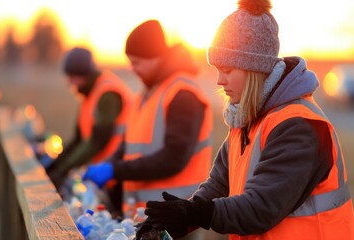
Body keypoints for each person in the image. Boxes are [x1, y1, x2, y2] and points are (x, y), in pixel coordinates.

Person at [136, 0, 354, 239]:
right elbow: (219, 183)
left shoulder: (299, 126)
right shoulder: (246, 121)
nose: (219, 80)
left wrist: (196, 213)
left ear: (254, 69)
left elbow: (261, 207)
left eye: (228, 70)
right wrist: (176, 220)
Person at [82, 19, 214, 222]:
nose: (133, 69)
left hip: (176, 220)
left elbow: (174, 158)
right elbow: (128, 145)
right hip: (144, 218)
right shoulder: (146, 94)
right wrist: (109, 165)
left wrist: (115, 170)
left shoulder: (183, 95)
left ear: (157, 57)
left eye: (137, 62)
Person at [46, 47, 134, 190]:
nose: (69, 82)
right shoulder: (89, 94)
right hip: (103, 172)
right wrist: (54, 166)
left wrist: (63, 170)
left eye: (72, 76)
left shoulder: (107, 94)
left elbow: (97, 141)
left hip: (116, 173)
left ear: (84, 74)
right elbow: (78, 139)